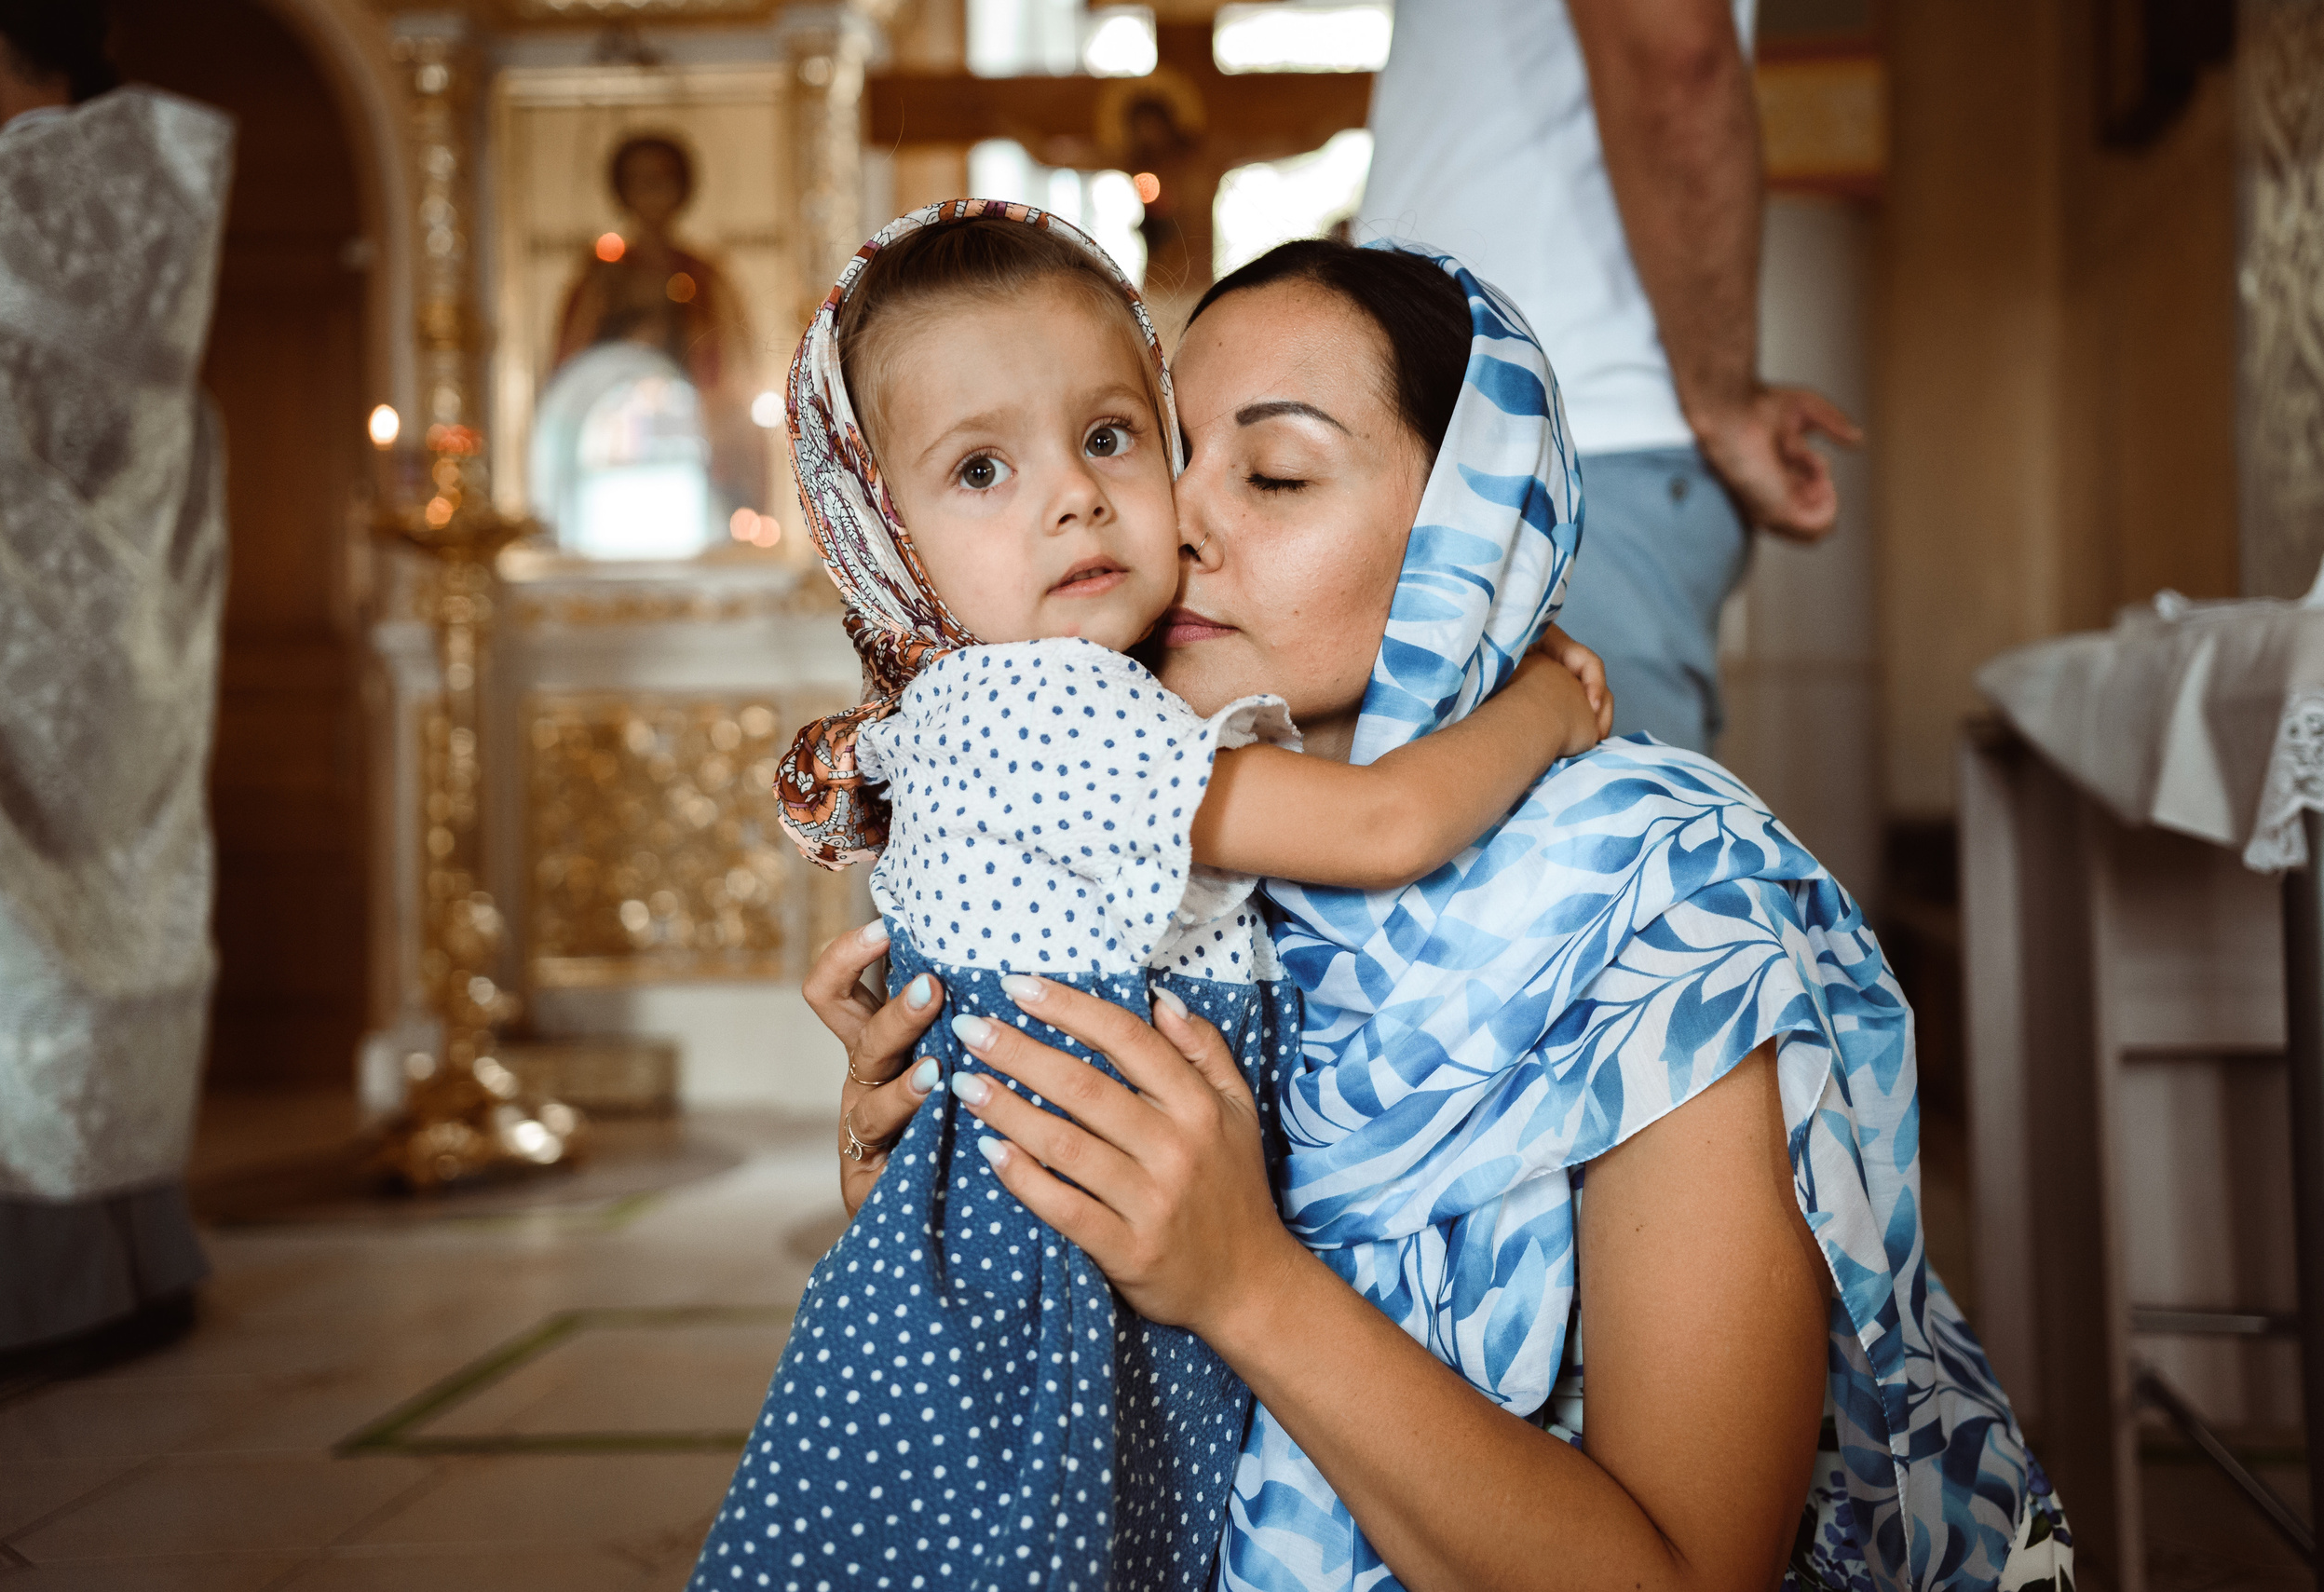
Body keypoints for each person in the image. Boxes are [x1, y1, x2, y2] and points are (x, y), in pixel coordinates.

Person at [812, 239, 2069, 1591]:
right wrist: (956, 1180)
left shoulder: (1657, 907)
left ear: (1468, 535)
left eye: (1275, 474)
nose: (1166, 522)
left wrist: (1244, 1283)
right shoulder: (1176, 887)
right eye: (1166, 453)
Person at [689, 202, 1610, 1590]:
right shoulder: (1041, 707)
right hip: (1056, 1289)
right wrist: (1548, 700)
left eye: (1114, 438)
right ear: (885, 536)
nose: (1076, 495)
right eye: (982, 468)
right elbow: (1383, 822)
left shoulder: (1051, 705)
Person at [0, 0, 231, 1360]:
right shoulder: (162, 200)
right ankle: (132, 1255)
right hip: (129, 653)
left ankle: (19, 1289)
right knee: (116, 923)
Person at [1354, 0, 1864, 754]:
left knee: (1592, 852)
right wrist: (1726, 401)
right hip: (1522, 433)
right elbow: (1675, 52)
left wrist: (1726, 400)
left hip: (1549, 435)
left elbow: (1675, 51)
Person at [553, 132, 765, 513]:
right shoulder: (598, 280)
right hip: (614, 443)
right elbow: (571, 369)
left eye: (662, 178)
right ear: (622, 191)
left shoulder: (705, 277)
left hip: (692, 439)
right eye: (639, 180)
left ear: (682, 188)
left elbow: (735, 368)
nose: (651, 191)